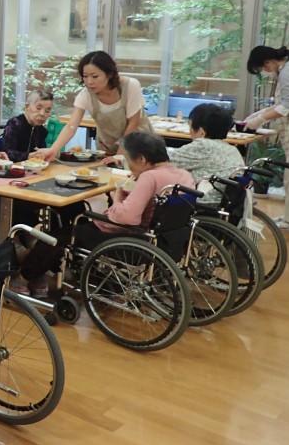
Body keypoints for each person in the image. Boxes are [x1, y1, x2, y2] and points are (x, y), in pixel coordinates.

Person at [19, 132, 195, 285]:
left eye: (128, 160)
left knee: (57, 236)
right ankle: (59, 271)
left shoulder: (149, 177)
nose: (128, 165)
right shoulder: (184, 175)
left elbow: (128, 218)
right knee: (77, 218)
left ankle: (22, 280)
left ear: (142, 159)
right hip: (167, 240)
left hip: (129, 237)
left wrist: (117, 199)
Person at [34, 51, 152, 161]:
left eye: (95, 76)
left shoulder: (130, 86)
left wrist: (120, 155)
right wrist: (53, 149)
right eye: (85, 76)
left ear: (110, 74)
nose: (89, 82)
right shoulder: (85, 95)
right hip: (108, 148)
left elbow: (133, 124)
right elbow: (71, 126)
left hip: (139, 147)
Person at [245, 45, 289, 231]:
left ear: (268, 62)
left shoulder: (288, 72)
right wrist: (259, 114)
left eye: (263, 68)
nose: (265, 72)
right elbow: (282, 103)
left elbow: (286, 107)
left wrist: (260, 119)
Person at [166, 103, 244, 205]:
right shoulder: (232, 149)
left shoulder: (203, 145)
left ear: (201, 132)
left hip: (202, 201)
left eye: (190, 125)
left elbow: (163, 158)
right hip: (223, 201)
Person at [1, 90, 54, 162]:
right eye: (38, 108)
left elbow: (41, 152)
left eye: (47, 111)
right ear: (27, 107)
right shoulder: (15, 124)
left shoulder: (42, 130)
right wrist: (29, 156)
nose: (42, 114)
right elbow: (7, 152)